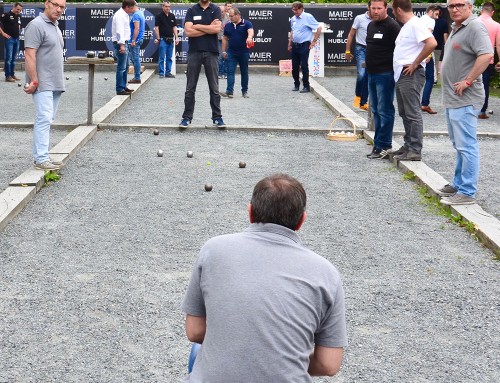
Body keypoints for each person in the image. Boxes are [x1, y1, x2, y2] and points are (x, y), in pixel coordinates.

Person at [181, 173, 348, 382]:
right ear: (301, 221)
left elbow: (195, 331)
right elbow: (328, 364)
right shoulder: (327, 273)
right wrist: (285, 360)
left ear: (250, 213)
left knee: (198, 352)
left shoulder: (213, 249)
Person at [438, 0, 493, 206]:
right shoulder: (457, 27)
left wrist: (468, 80)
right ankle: (458, 183)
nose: (454, 9)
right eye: (451, 6)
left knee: (466, 145)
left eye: (460, 5)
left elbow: (487, 54)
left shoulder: (475, 26)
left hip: (465, 98)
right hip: (453, 99)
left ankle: (467, 191)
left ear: (470, 7)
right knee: (459, 144)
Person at [391, 0, 437, 162]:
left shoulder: (415, 24)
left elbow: (432, 43)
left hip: (411, 73)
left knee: (412, 112)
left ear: (397, 9)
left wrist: (416, 63)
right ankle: (409, 145)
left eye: (392, 9)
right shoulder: (409, 25)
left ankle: (415, 149)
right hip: (403, 73)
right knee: (405, 112)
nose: (393, 13)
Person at [24, 0, 66, 171]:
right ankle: (41, 159)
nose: (59, 9)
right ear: (46, 3)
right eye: (56, 5)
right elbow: (29, 54)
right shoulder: (36, 25)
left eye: (62, 7)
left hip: (55, 81)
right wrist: (34, 81)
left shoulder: (55, 25)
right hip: (42, 82)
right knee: (44, 118)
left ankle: (42, 156)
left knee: (47, 119)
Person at [179, 0, 225, 129]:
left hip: (212, 52)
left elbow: (216, 28)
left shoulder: (215, 9)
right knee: (190, 88)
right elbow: (188, 32)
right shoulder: (191, 10)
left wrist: (197, 26)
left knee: (214, 88)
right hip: (194, 52)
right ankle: (186, 118)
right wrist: (208, 27)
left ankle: (217, 117)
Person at [365, 0, 401, 159]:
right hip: (371, 73)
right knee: (375, 111)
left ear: (386, 8)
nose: (376, 11)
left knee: (385, 110)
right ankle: (377, 145)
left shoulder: (393, 26)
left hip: (385, 74)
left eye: (379, 8)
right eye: (373, 8)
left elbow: (400, 49)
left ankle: (385, 145)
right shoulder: (370, 25)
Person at [288, 1, 322, 93]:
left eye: (296, 10)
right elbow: (292, 31)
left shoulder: (308, 17)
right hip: (295, 45)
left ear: (301, 9)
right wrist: (289, 43)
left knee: (304, 65)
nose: (294, 11)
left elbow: (319, 28)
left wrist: (314, 41)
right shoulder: (293, 19)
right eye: (293, 9)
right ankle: (296, 84)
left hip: (304, 44)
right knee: (294, 67)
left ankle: (306, 86)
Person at [220, 7, 254, 98]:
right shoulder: (228, 25)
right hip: (231, 52)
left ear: (238, 15)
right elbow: (225, 38)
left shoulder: (247, 23)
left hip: (244, 52)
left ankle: (244, 91)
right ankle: (229, 91)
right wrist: (223, 51)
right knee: (230, 72)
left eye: (231, 16)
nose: (230, 18)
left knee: (244, 72)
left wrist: (249, 37)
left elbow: (250, 31)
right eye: (229, 16)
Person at [345, 6, 371, 111]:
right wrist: (347, 51)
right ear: (369, 7)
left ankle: (363, 103)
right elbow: (351, 34)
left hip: (373, 51)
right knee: (362, 74)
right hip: (362, 50)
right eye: (373, 8)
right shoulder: (359, 18)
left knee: (368, 76)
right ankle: (358, 95)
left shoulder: (380, 19)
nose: (375, 10)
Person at [477, 2, 500, 119]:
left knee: (470, 82)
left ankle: (470, 109)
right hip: (487, 60)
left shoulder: (473, 22)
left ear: (481, 11)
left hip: (473, 59)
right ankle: (482, 111)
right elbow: (499, 45)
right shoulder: (496, 25)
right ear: (492, 12)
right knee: (484, 85)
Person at [112, 0, 136, 96]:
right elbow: (119, 31)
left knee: (125, 66)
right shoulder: (120, 15)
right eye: (131, 8)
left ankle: (123, 86)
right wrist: (121, 44)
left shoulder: (124, 14)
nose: (133, 10)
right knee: (121, 67)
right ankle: (120, 89)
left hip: (124, 42)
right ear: (126, 7)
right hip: (120, 43)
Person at [420, 4, 440, 115]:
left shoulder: (420, 19)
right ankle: (425, 104)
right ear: (431, 11)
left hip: (417, 52)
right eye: (436, 14)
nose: (437, 17)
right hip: (426, 52)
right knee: (430, 78)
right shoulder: (430, 21)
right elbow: (427, 37)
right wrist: (427, 54)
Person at [154, 1, 178, 79]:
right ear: (163, 7)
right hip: (163, 39)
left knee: (169, 57)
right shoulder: (159, 16)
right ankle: (161, 73)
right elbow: (156, 28)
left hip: (171, 39)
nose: (168, 8)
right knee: (161, 57)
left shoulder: (172, 16)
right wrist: (158, 38)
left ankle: (168, 73)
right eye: (166, 6)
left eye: (169, 6)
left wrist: (177, 37)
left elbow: (174, 27)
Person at [0, 2, 23, 83]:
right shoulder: (6, 15)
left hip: (17, 39)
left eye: (20, 10)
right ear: (13, 7)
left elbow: (19, 25)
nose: (19, 11)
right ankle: (8, 76)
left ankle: (12, 74)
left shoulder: (19, 16)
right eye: (17, 9)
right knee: (8, 58)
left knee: (13, 59)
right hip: (9, 39)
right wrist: (3, 33)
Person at [128, 2, 145, 84]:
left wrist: (133, 40)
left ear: (133, 6)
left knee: (135, 58)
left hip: (136, 39)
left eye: (130, 7)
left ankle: (137, 77)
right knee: (135, 58)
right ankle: (137, 74)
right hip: (139, 38)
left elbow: (136, 29)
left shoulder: (136, 15)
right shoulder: (140, 13)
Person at [432, 7, 449, 82]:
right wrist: (446, 44)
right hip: (439, 45)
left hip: (430, 44)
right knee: (437, 62)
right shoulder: (444, 22)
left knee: (432, 62)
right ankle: (435, 79)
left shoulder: (431, 21)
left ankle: (433, 78)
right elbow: (445, 35)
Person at [217, 5, 229, 79]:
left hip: (227, 39)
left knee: (227, 56)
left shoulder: (229, 17)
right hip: (218, 39)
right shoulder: (216, 16)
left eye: (222, 12)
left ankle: (226, 73)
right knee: (220, 56)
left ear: (225, 11)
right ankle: (219, 73)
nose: (220, 13)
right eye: (219, 11)